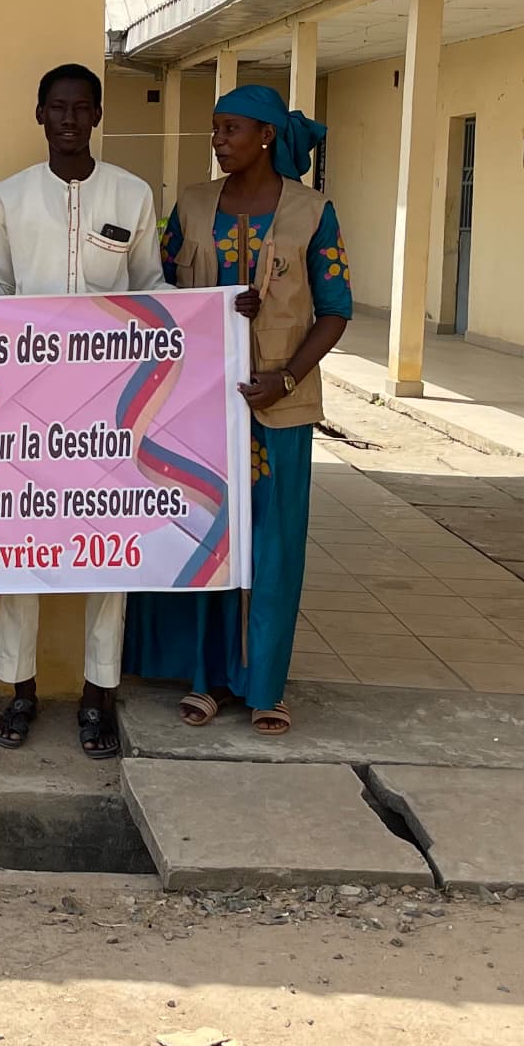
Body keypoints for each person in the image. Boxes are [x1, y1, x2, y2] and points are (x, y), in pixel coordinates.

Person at [124, 84, 352, 739]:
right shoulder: (192, 207)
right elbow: (159, 293)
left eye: (231, 130)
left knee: (273, 546)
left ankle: (266, 687)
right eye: (216, 129)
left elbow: (336, 309)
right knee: (206, 538)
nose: (219, 141)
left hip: (279, 411)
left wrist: (286, 378)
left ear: (266, 137)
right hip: (200, 407)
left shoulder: (312, 212)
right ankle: (207, 679)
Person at [0, 62, 165, 760]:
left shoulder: (133, 194)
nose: (71, 120)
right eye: (58, 108)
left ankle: (97, 696)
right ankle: (19, 689)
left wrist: (218, 316)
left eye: (83, 108)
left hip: (113, 401)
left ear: (99, 113)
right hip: (31, 399)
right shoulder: (12, 197)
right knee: (24, 544)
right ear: (39, 114)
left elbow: (153, 291)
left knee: (108, 547)